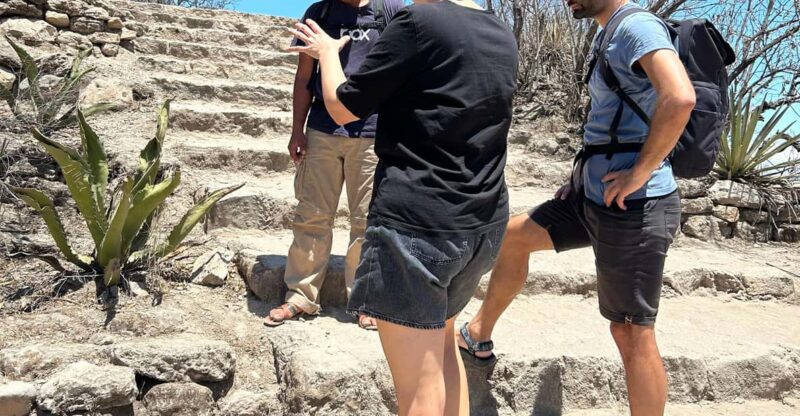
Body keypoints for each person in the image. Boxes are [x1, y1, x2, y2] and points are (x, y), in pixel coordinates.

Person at [457, 0, 695, 415]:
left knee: (630, 331)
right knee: (513, 237)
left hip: (635, 206)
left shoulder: (638, 27)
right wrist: (580, 176)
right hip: (591, 196)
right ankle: (478, 334)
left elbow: (679, 98)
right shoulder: (609, 31)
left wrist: (639, 172)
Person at [288, 0, 518, 414]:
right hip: (481, 222)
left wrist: (326, 53)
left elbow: (342, 105)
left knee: (420, 389)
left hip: (419, 227)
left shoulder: (417, 22)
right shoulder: (499, 30)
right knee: (445, 357)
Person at [266, 0, 404, 329]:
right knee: (311, 215)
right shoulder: (319, 13)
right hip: (322, 129)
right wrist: (297, 130)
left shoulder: (389, 11)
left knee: (368, 221)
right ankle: (300, 295)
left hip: (372, 133)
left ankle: (366, 300)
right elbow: (304, 77)